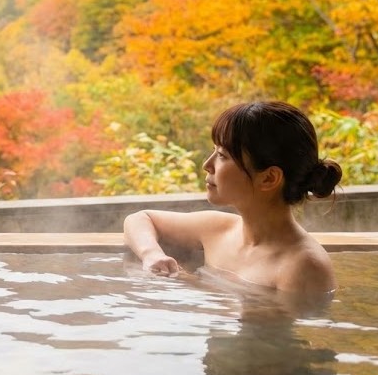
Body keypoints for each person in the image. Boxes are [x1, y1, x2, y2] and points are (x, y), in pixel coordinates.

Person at [123, 101, 342, 296]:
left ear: (268, 178)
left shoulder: (303, 268)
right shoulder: (218, 229)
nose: (207, 165)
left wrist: (192, 286)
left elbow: (273, 338)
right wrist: (151, 254)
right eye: (213, 151)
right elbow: (140, 219)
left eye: (222, 156)